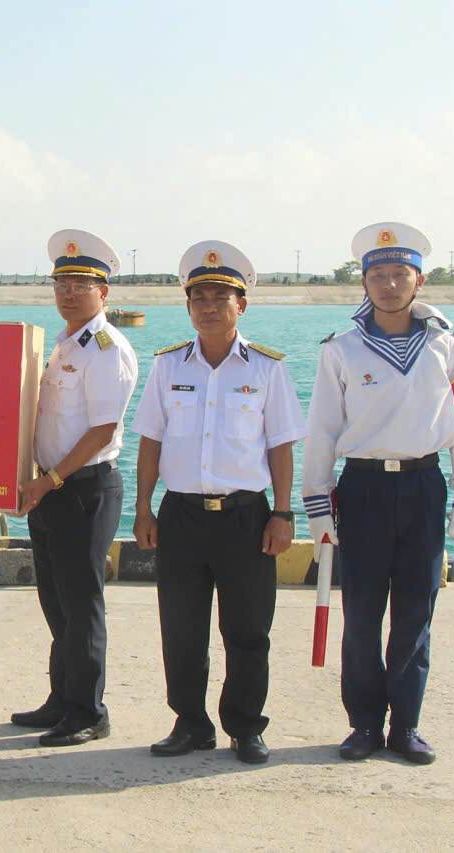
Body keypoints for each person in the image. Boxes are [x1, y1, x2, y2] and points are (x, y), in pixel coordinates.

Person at [302, 222, 454, 765]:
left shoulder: (446, 346)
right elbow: (321, 431)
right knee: (361, 614)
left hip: (423, 486)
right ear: (364, 282)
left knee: (414, 613)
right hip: (360, 489)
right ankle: (363, 724)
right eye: (378, 275)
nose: (388, 284)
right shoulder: (341, 350)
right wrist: (318, 505)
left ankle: (406, 725)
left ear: (418, 278)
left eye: (399, 274)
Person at [131, 240, 305, 764]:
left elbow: (280, 445)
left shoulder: (266, 370)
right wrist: (143, 508)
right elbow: (150, 441)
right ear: (188, 307)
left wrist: (282, 511)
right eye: (199, 297)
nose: (208, 306)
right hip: (181, 515)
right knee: (182, 629)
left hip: (246, 517)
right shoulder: (167, 367)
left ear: (241, 306)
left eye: (220, 297)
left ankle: (246, 726)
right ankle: (190, 722)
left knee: (248, 630)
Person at [12, 229, 138, 747]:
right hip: (51, 490)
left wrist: (50, 481)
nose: (68, 292)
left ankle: (88, 711)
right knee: (56, 602)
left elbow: (103, 430)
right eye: (61, 282)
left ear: (103, 292)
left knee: (81, 604)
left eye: (81, 283)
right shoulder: (65, 345)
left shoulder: (106, 349)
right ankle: (62, 698)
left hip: (83, 489)